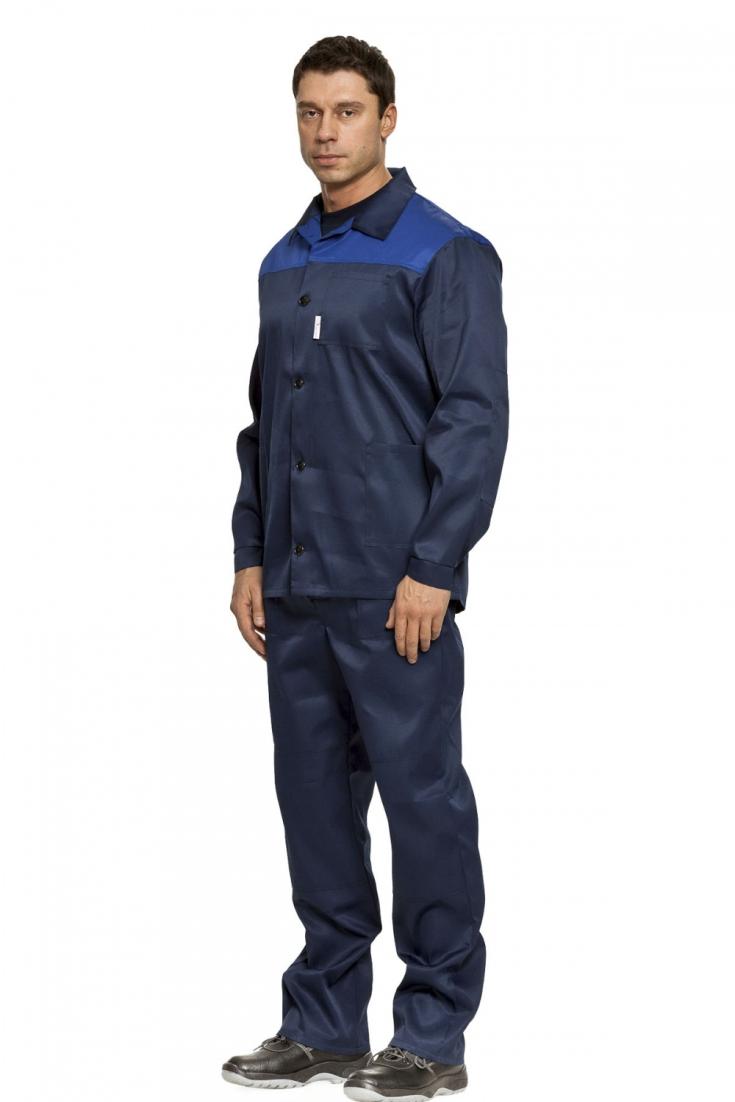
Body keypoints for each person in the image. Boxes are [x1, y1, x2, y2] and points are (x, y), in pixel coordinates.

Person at [223, 35, 509, 1102]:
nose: (325, 132)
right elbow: (265, 423)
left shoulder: (445, 252)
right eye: (309, 112)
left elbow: (473, 420)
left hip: (397, 592)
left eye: (346, 111)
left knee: (423, 805)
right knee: (313, 806)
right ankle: (325, 1023)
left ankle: (432, 1033)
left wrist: (435, 564)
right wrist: (250, 551)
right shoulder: (282, 258)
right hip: (296, 587)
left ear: (387, 118)